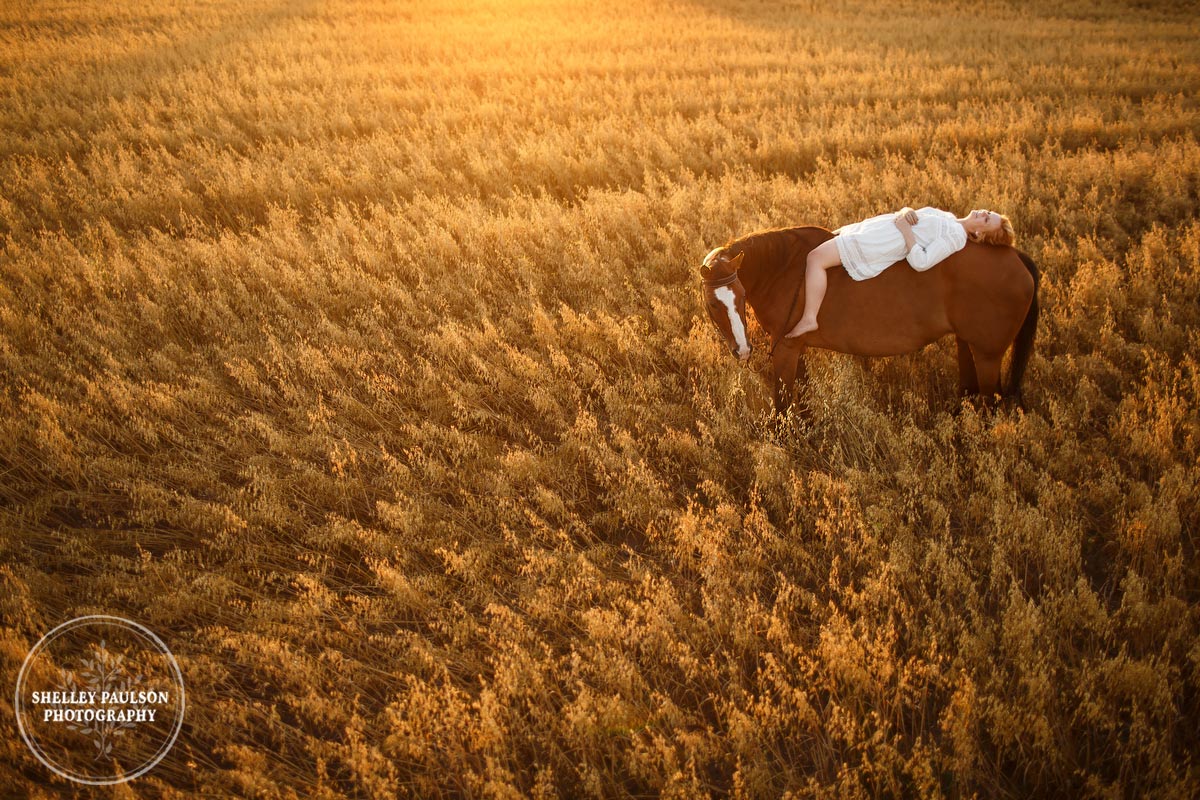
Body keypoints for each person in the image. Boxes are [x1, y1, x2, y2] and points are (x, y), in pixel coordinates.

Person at [785, 207, 1015, 338]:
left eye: (987, 220)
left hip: (880, 243)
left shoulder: (956, 237)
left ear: (979, 236)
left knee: (815, 258)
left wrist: (905, 229)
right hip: (875, 229)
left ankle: (810, 318)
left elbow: (921, 261)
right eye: (989, 212)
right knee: (819, 250)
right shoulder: (949, 217)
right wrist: (906, 212)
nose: (984, 213)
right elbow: (912, 214)